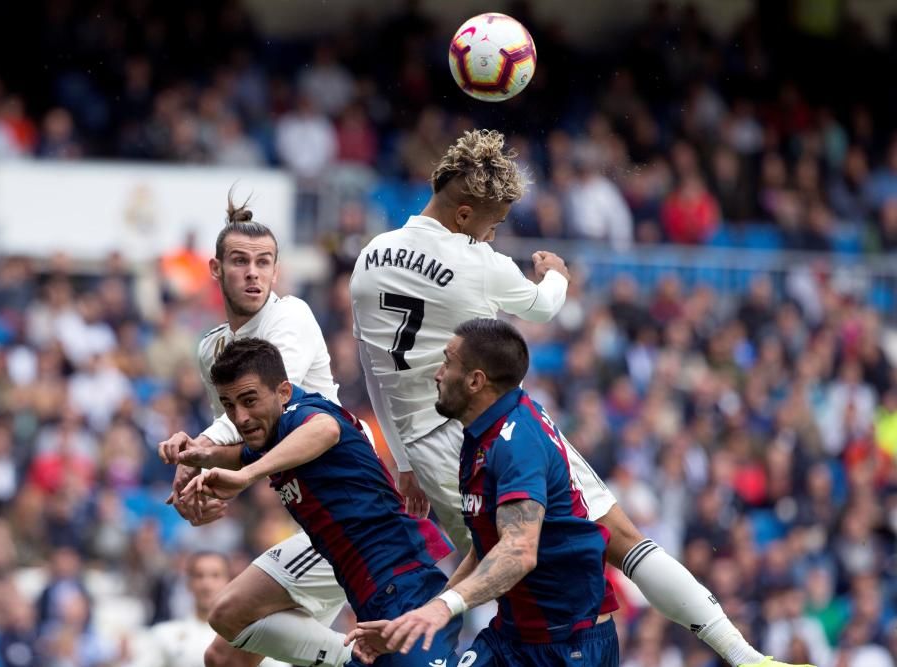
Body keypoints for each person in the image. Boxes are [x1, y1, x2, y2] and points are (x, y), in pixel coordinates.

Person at [348, 128, 809, 667]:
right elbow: (544, 309)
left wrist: (403, 462)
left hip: (425, 453)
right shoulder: (477, 262)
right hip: (493, 427)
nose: (493, 236)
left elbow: (372, 367)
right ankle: (744, 656)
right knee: (612, 544)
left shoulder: (370, 256)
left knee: (492, 582)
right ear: (466, 212)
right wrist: (557, 276)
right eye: (493, 224)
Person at [349, 319, 620, 666]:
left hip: (568, 646)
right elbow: (492, 545)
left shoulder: (516, 442)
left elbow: (519, 551)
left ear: (475, 381)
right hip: (514, 637)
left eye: (448, 362)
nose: (438, 374)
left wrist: (440, 607)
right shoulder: (483, 434)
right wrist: (418, 621)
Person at [156, 196, 351, 667]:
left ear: (276, 272)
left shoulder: (292, 319)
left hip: (344, 513)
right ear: (215, 269)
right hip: (307, 513)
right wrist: (196, 478)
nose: (253, 273)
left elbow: (258, 411)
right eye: (240, 261)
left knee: (229, 619)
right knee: (225, 659)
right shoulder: (212, 350)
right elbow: (243, 436)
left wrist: (196, 452)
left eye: (264, 263)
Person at [179, 338, 459, 665]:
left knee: (228, 617)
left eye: (249, 400)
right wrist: (197, 454)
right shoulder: (274, 432)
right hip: (370, 591)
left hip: (401, 584)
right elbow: (240, 454)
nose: (240, 418)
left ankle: (350, 659)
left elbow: (325, 430)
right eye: (229, 406)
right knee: (225, 625)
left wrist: (247, 476)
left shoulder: (305, 415)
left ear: (283, 391)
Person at [125, 552, 291, 667]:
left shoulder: (252, 635)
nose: (207, 584)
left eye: (215, 575)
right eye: (199, 576)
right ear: (188, 584)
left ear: (230, 582)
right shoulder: (164, 634)